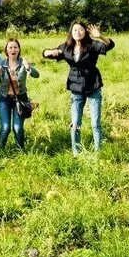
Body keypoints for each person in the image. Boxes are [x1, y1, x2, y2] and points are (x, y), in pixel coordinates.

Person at [42, 22, 114, 157]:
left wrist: (101, 36)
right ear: (71, 32)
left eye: (80, 29)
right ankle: (76, 151)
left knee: (95, 122)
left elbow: (109, 45)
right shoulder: (67, 47)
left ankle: (99, 152)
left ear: (85, 32)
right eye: (75, 30)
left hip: (93, 85)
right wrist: (48, 52)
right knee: (75, 122)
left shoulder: (93, 45)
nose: (78, 32)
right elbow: (47, 53)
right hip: (76, 86)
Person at [0, 37, 39, 151]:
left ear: (19, 49)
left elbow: (36, 75)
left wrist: (29, 68)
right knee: (6, 127)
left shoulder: (23, 62)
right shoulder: (1, 63)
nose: (13, 49)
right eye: (10, 47)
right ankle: (0, 151)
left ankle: (20, 151)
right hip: (4, 99)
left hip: (21, 99)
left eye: (15, 47)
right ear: (6, 50)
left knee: (18, 128)